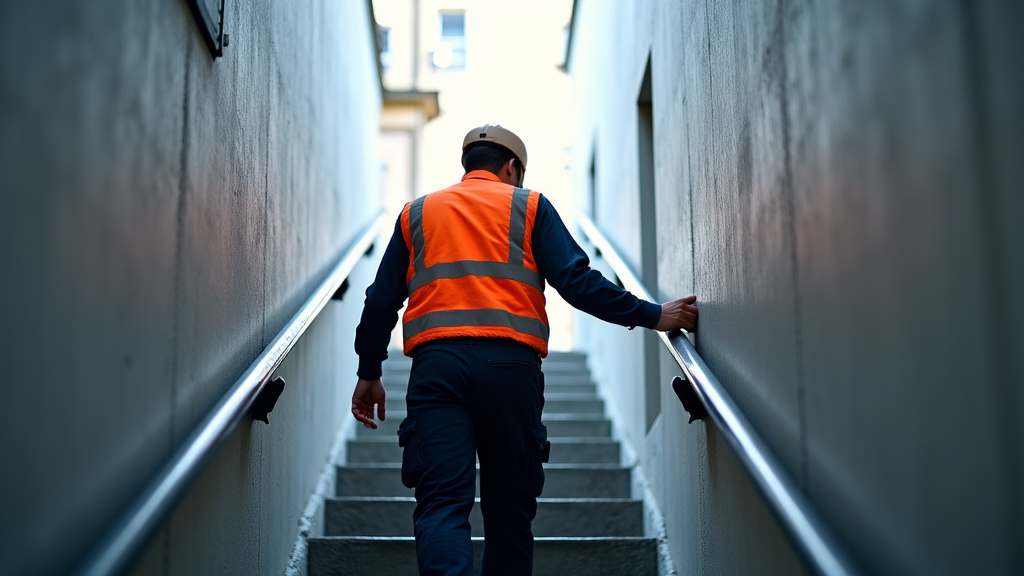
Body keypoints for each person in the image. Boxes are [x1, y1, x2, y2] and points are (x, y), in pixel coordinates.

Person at [351, 124, 698, 576]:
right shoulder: (529, 205)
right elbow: (577, 283)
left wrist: (369, 370)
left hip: (437, 370)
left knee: (440, 504)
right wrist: (653, 315)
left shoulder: (417, 213)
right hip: (510, 369)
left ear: (469, 163)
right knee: (509, 512)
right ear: (512, 167)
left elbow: (380, 300)